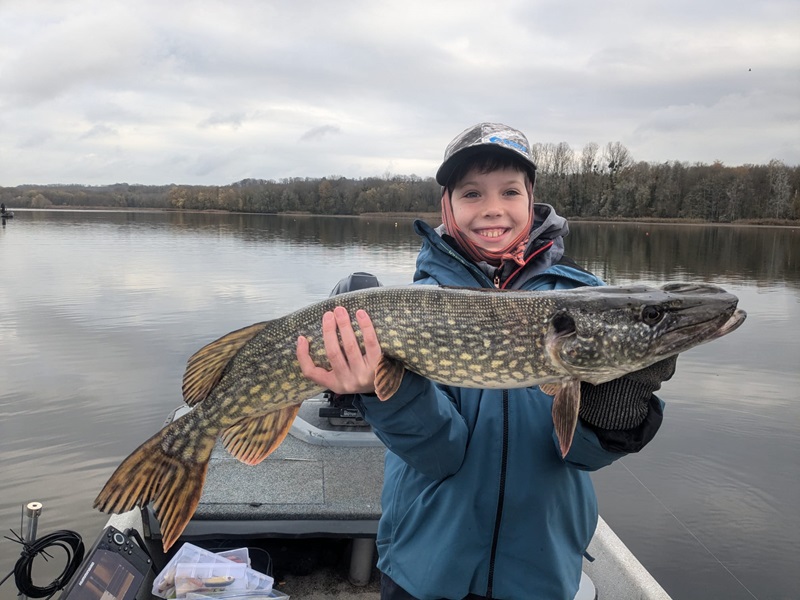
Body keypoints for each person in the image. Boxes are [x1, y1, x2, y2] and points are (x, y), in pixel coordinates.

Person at [296, 123, 677, 600]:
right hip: (427, 566)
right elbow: (440, 455)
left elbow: (581, 456)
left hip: (540, 571)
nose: (492, 208)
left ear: (532, 198)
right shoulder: (419, 306)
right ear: (448, 206)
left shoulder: (586, 299)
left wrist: (619, 403)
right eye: (472, 193)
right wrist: (381, 391)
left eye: (509, 191)